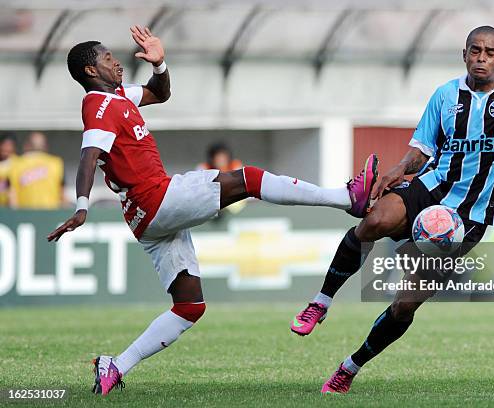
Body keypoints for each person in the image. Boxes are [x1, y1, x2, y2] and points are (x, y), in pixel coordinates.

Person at [46, 25, 378, 396]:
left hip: (145, 219)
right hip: (157, 196)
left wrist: (159, 64)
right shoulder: (98, 104)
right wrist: (81, 206)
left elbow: (160, 93)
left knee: (189, 307)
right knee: (249, 178)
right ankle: (348, 198)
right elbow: (89, 154)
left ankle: (115, 365)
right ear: (91, 70)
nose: (117, 62)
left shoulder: (119, 95)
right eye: (108, 58)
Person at [290, 26, 494, 393]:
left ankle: (349, 368)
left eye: (489, 52)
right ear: (464, 54)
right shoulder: (445, 95)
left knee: (406, 304)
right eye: (475, 50)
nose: (481, 58)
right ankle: (320, 302)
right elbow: (422, 150)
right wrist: (399, 169)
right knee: (374, 221)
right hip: (431, 187)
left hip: (470, 217)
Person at [8, 131, 65, 209]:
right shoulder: (56, 162)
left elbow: (12, 195)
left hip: (24, 215)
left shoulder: (16, 163)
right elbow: (62, 195)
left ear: (27, 146)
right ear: (45, 146)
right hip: (51, 214)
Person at [0, 133, 17, 207]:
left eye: (9, 145)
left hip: (10, 208)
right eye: (4, 145)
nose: (6, 148)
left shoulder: (18, 163)